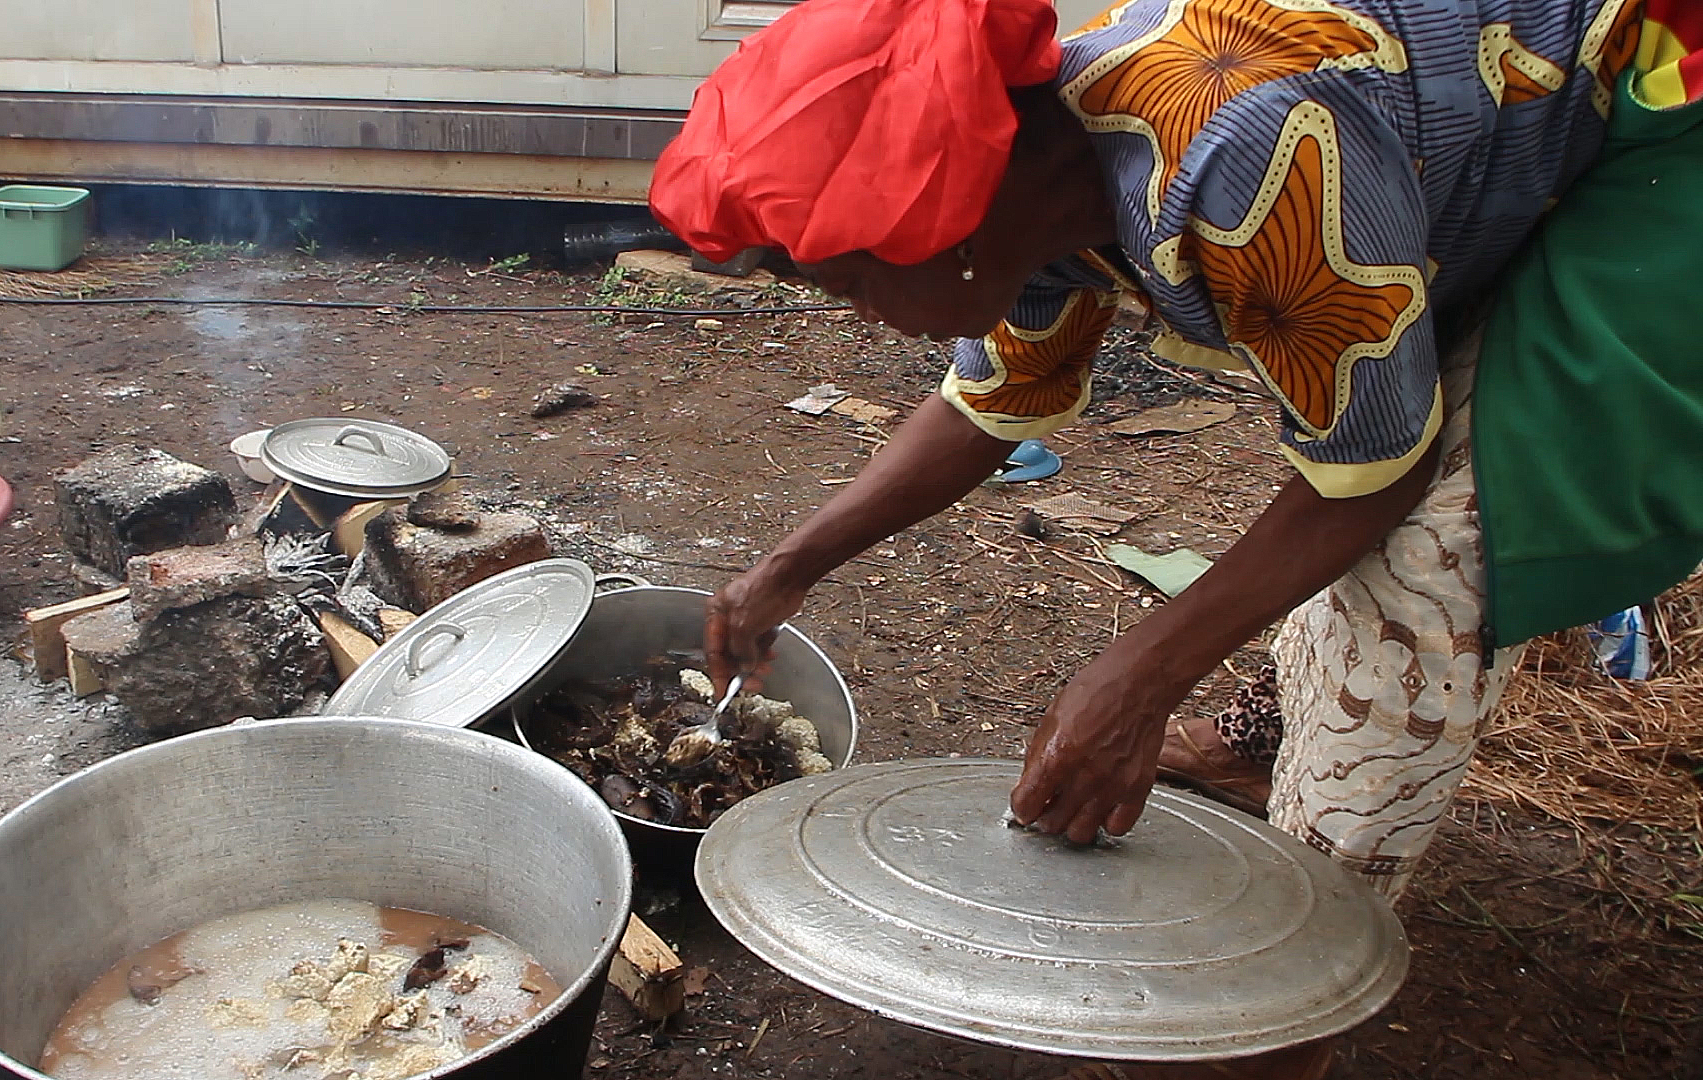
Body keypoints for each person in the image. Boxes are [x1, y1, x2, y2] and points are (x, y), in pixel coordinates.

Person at [649, 0, 1703, 1076]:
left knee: (1434, 561)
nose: (859, 313)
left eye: (850, 280)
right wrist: (787, 567)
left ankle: (1299, 983)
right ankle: (1271, 743)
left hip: (1653, 109)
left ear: (951, 220)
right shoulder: (1037, 183)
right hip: (1450, 141)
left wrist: (1138, 677)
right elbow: (993, 403)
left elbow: (1376, 474)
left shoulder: (1237, 165)